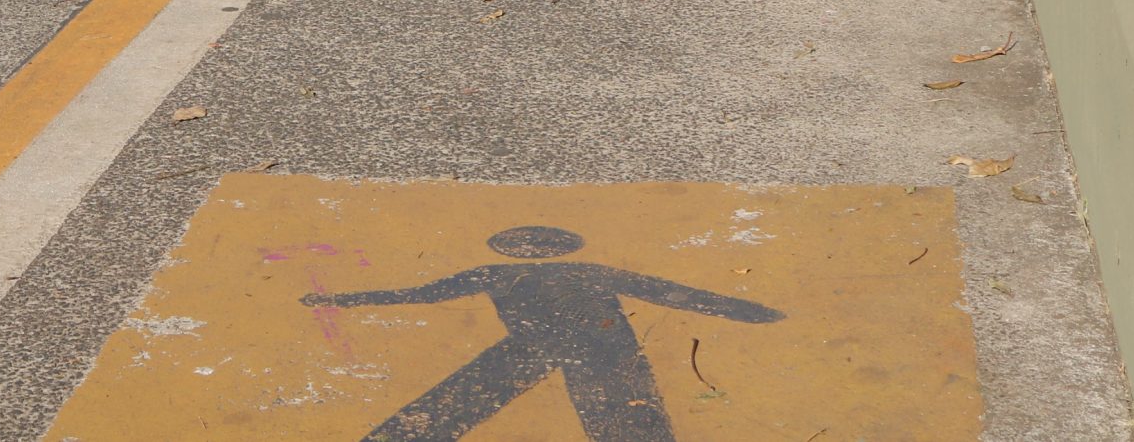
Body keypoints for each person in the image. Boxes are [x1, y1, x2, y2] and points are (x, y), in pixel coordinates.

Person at [303, 224, 781, 441]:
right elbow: (668, 292)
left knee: (461, 399)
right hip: (596, 346)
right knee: (627, 417)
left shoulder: (493, 272)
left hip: (572, 345)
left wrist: (343, 300)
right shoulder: (577, 270)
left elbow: (420, 294)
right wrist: (747, 311)